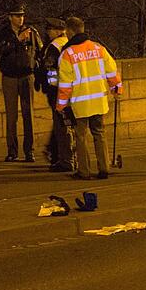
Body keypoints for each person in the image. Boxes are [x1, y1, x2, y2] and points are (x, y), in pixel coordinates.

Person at [55, 16, 121, 180]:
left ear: (70, 31)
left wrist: (61, 106)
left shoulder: (67, 54)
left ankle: (84, 171)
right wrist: (116, 89)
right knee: (99, 134)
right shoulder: (99, 48)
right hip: (99, 101)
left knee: (81, 136)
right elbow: (112, 71)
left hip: (80, 104)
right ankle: (104, 168)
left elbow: (65, 84)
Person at [0, 3, 42, 162]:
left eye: (22, 15)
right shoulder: (4, 33)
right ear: (10, 17)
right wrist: (17, 39)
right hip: (9, 77)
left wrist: (38, 75)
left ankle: (29, 150)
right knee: (11, 116)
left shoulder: (32, 32)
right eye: (17, 16)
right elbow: (2, 50)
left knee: (28, 114)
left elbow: (39, 53)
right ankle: (12, 151)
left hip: (26, 76)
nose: (20, 19)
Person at [35, 17, 74, 172]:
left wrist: (47, 85)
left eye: (50, 30)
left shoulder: (54, 46)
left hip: (57, 90)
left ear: (58, 30)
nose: (48, 32)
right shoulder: (69, 43)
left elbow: (50, 70)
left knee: (61, 124)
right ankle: (58, 153)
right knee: (66, 123)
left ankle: (64, 158)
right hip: (71, 88)